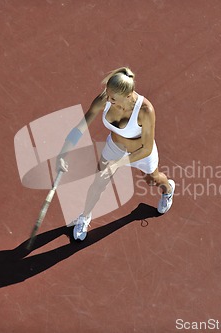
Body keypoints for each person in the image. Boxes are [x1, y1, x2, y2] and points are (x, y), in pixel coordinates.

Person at [56, 67, 175, 241]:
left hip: (140, 153)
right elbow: (81, 127)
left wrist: (118, 164)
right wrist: (62, 154)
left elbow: (147, 148)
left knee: (153, 180)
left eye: (113, 98)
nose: (108, 99)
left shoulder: (145, 111)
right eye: (108, 94)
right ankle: (84, 217)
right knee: (99, 181)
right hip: (115, 148)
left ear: (128, 96)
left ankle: (168, 190)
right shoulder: (105, 98)